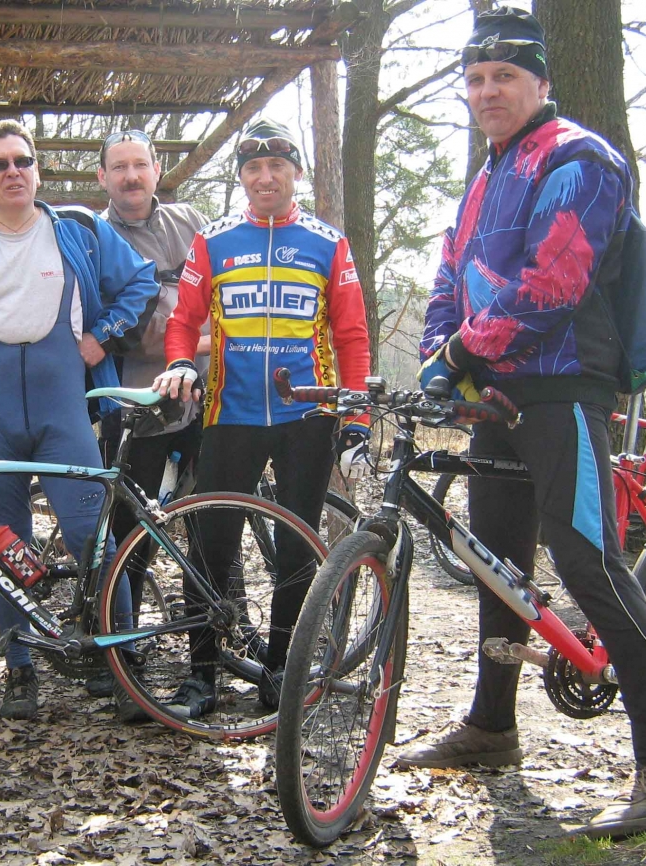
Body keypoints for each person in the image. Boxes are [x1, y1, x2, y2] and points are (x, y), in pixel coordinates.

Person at [399, 6, 646, 838]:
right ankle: (492, 726)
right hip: (497, 397)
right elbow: (450, 277)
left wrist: (460, 350)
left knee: (588, 561)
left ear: (541, 81)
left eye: (504, 76)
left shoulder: (580, 157)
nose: (487, 91)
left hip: (564, 387)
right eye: (475, 79)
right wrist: (440, 354)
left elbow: (553, 283)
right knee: (497, 565)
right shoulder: (484, 177)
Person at [0, 119, 159, 722]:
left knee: (91, 536)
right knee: (5, 542)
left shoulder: (79, 228)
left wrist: (103, 334)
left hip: (63, 408)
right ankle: (19, 665)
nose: (13, 172)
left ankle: (121, 665)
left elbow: (140, 280)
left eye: (23, 160)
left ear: (38, 170)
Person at [154, 117, 372, 718]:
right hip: (231, 412)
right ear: (242, 177)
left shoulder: (328, 243)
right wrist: (181, 362)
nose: (265, 177)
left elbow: (352, 336)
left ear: (296, 172)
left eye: (277, 166)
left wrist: (356, 416)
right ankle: (200, 676)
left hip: (308, 416)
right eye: (253, 167)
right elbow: (183, 321)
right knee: (211, 543)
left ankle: (279, 673)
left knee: (295, 549)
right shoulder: (214, 240)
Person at [91, 129, 210, 698]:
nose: (131, 176)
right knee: (129, 528)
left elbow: (219, 291)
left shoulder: (191, 221)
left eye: (140, 164)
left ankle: (211, 646)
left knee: (211, 522)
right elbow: (116, 330)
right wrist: (205, 343)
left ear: (157, 169)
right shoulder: (94, 236)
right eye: (119, 167)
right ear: (102, 177)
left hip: (206, 398)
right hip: (134, 404)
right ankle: (123, 651)